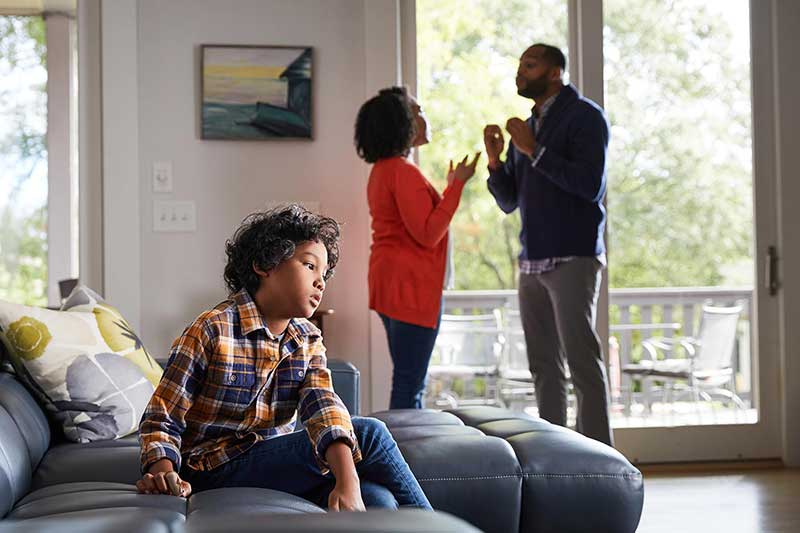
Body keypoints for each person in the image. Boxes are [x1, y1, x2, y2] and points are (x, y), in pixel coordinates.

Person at [137, 205, 432, 511]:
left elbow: (323, 407)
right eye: (309, 265)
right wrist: (163, 473)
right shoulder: (211, 329)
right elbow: (162, 417)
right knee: (370, 432)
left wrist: (348, 484)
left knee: (377, 500)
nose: (321, 282)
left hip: (270, 465)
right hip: (210, 469)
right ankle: (433, 522)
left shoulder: (307, 338)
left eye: (324, 273)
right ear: (265, 264)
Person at [483, 43, 614, 446]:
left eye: (530, 65)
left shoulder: (586, 117)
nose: (520, 73)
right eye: (519, 65)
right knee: (544, 366)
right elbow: (510, 201)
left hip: (573, 256)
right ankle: (557, 458)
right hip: (532, 261)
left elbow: (590, 187)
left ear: (555, 72)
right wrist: (495, 162)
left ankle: (599, 464)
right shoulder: (529, 125)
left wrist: (532, 150)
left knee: (582, 365)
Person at [355, 86, 480, 409]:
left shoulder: (382, 170)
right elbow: (428, 233)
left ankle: (397, 453)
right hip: (409, 284)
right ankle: (399, 457)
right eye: (417, 111)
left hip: (389, 281)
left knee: (407, 378)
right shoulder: (402, 171)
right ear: (402, 123)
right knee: (411, 383)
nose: (424, 117)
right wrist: (457, 186)